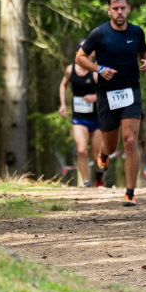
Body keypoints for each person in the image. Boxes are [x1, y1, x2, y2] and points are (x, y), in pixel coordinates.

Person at [76, 0, 146, 206]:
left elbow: (144, 53)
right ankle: (104, 153)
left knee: (130, 141)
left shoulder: (136, 32)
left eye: (123, 8)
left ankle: (130, 192)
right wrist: (99, 69)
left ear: (129, 9)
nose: (119, 12)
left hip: (131, 92)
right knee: (110, 145)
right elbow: (80, 58)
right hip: (106, 94)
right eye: (115, 8)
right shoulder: (99, 34)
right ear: (109, 10)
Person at [58, 43, 104, 187]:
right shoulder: (70, 69)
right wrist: (63, 104)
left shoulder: (96, 71)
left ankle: (99, 175)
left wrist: (96, 97)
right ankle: (86, 182)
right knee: (81, 150)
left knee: (96, 154)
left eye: (88, 50)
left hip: (97, 118)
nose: (86, 53)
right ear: (77, 53)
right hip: (79, 118)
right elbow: (63, 84)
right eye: (82, 50)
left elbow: (107, 90)